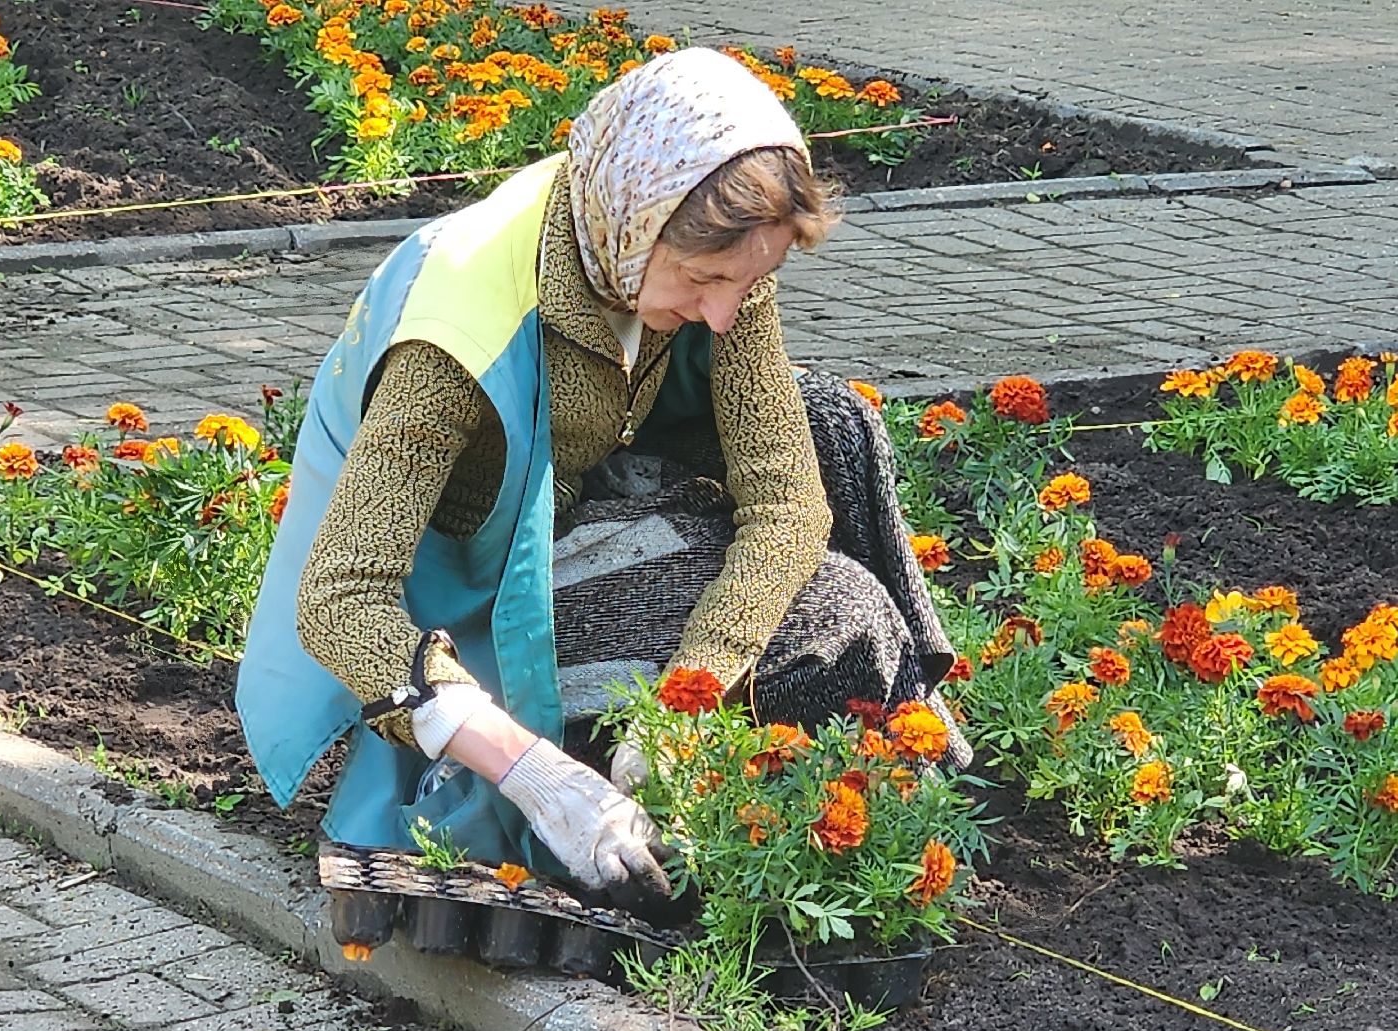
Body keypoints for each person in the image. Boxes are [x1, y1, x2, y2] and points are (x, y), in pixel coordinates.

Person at [235, 47, 968, 908]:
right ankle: (696, 785)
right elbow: (341, 602)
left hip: (580, 496)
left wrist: (688, 701)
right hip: (465, 594)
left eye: (750, 282)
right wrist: (538, 777)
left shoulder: (696, 244)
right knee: (838, 610)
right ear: (634, 224)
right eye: (703, 282)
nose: (724, 314)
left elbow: (788, 501)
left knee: (835, 426)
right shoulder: (452, 335)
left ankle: (908, 749)